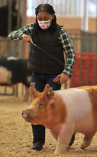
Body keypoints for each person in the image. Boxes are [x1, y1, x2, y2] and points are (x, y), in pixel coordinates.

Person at [8, 3, 75, 151]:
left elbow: (71, 53)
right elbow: (11, 35)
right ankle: (38, 141)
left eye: (46, 18)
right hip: (36, 74)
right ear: (36, 18)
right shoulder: (31, 28)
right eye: (40, 18)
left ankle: (67, 135)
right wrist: (22, 35)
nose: (43, 21)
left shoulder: (60, 33)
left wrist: (66, 72)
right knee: (36, 106)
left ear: (53, 17)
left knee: (52, 105)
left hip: (55, 75)